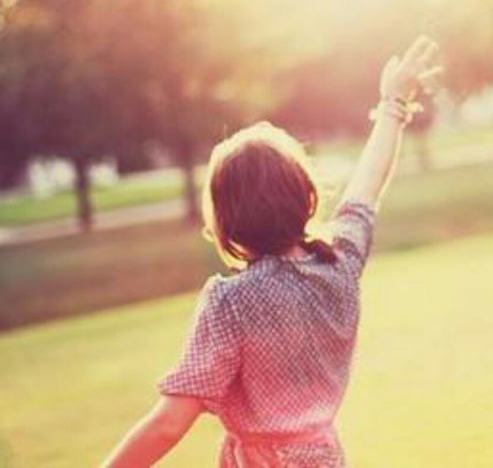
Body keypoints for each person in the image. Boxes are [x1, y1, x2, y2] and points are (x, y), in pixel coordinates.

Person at [102, 36, 441, 467]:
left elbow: (170, 423)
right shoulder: (338, 264)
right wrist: (393, 104)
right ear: (307, 196)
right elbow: (365, 188)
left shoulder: (231, 303)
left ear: (226, 220)